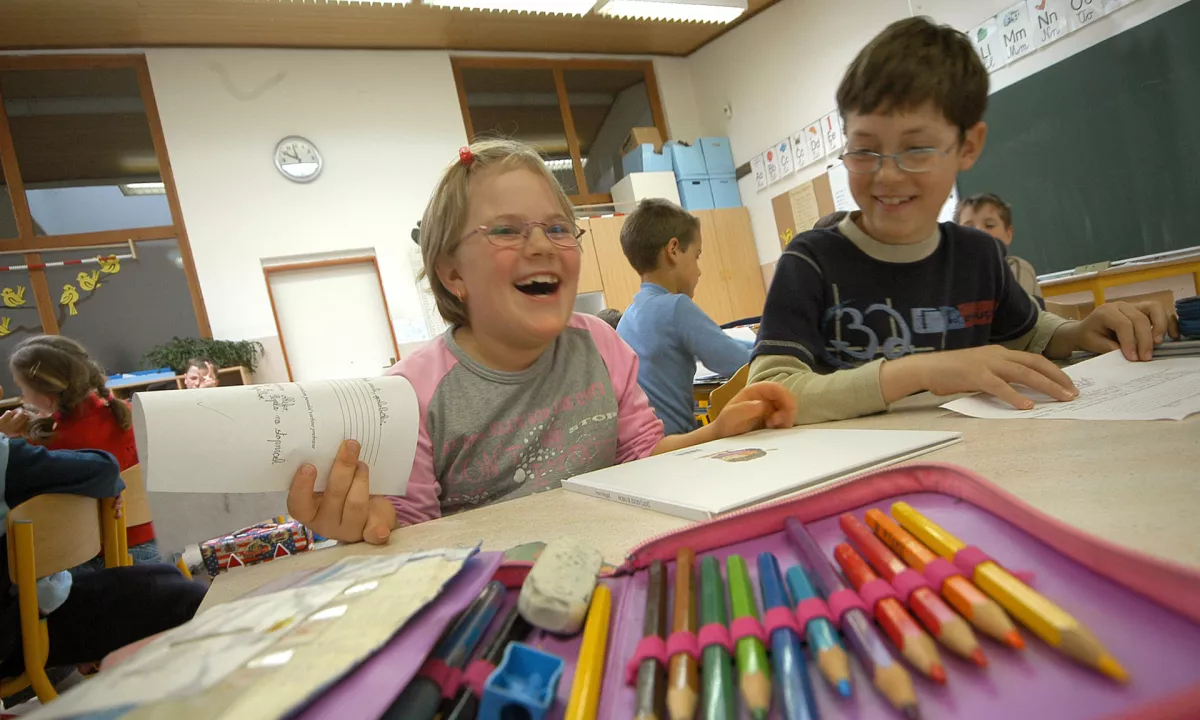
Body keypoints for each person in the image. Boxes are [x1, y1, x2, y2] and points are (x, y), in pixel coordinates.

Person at [286, 139, 796, 544]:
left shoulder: (601, 343)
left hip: (614, 558)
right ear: (451, 273)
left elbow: (642, 460)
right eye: (506, 230)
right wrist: (362, 527)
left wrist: (716, 432)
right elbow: (418, 538)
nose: (540, 246)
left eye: (557, 227)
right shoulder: (409, 397)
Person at [750, 17, 1175, 425]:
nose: (888, 174)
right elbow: (769, 397)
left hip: (972, 459)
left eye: (916, 149)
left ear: (968, 146)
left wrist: (1080, 330)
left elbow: (1028, 332)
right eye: (864, 150)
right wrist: (922, 371)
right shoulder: (810, 262)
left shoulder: (978, 255)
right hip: (851, 475)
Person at [0, 429, 205, 683]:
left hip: (26, 603)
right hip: (15, 626)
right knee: (182, 595)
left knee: (167, 576)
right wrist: (106, 487)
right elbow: (104, 469)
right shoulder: (11, 455)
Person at [2, 335, 161, 563]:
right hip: (162, 540)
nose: (22, 397)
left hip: (111, 557)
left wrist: (8, 439)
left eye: (23, 389)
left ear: (47, 398)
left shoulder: (48, 447)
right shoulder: (129, 412)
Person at [616, 198, 753, 435]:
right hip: (677, 446)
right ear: (673, 250)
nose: (699, 270)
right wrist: (776, 351)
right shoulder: (675, 307)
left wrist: (759, 344)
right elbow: (736, 361)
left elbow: (719, 341)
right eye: (696, 255)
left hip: (645, 450)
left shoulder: (627, 318)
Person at [956, 192, 1042, 301]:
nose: (979, 231)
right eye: (969, 227)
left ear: (1008, 234)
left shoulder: (1017, 269)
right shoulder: (953, 277)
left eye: (989, 225)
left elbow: (1016, 315)